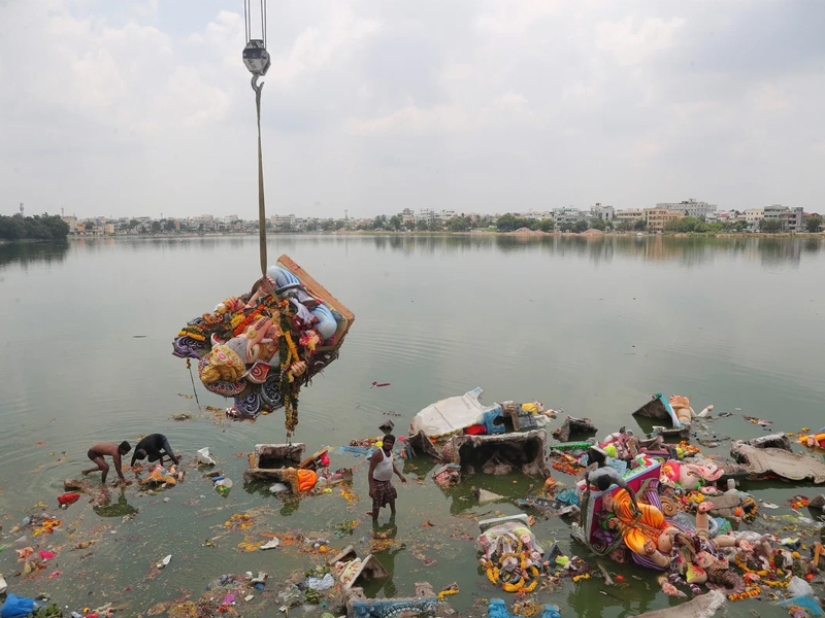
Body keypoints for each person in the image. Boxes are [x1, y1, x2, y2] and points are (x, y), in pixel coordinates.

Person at [367, 434, 406, 521]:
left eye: (390, 442)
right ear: (383, 442)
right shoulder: (377, 454)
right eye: (386, 442)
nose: (388, 444)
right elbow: (370, 471)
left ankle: (393, 514)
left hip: (387, 482)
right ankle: (375, 523)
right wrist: (371, 487)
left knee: (392, 497)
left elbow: (391, 464)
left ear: (392, 444)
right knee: (377, 505)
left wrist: (400, 475)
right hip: (377, 482)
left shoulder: (390, 452)